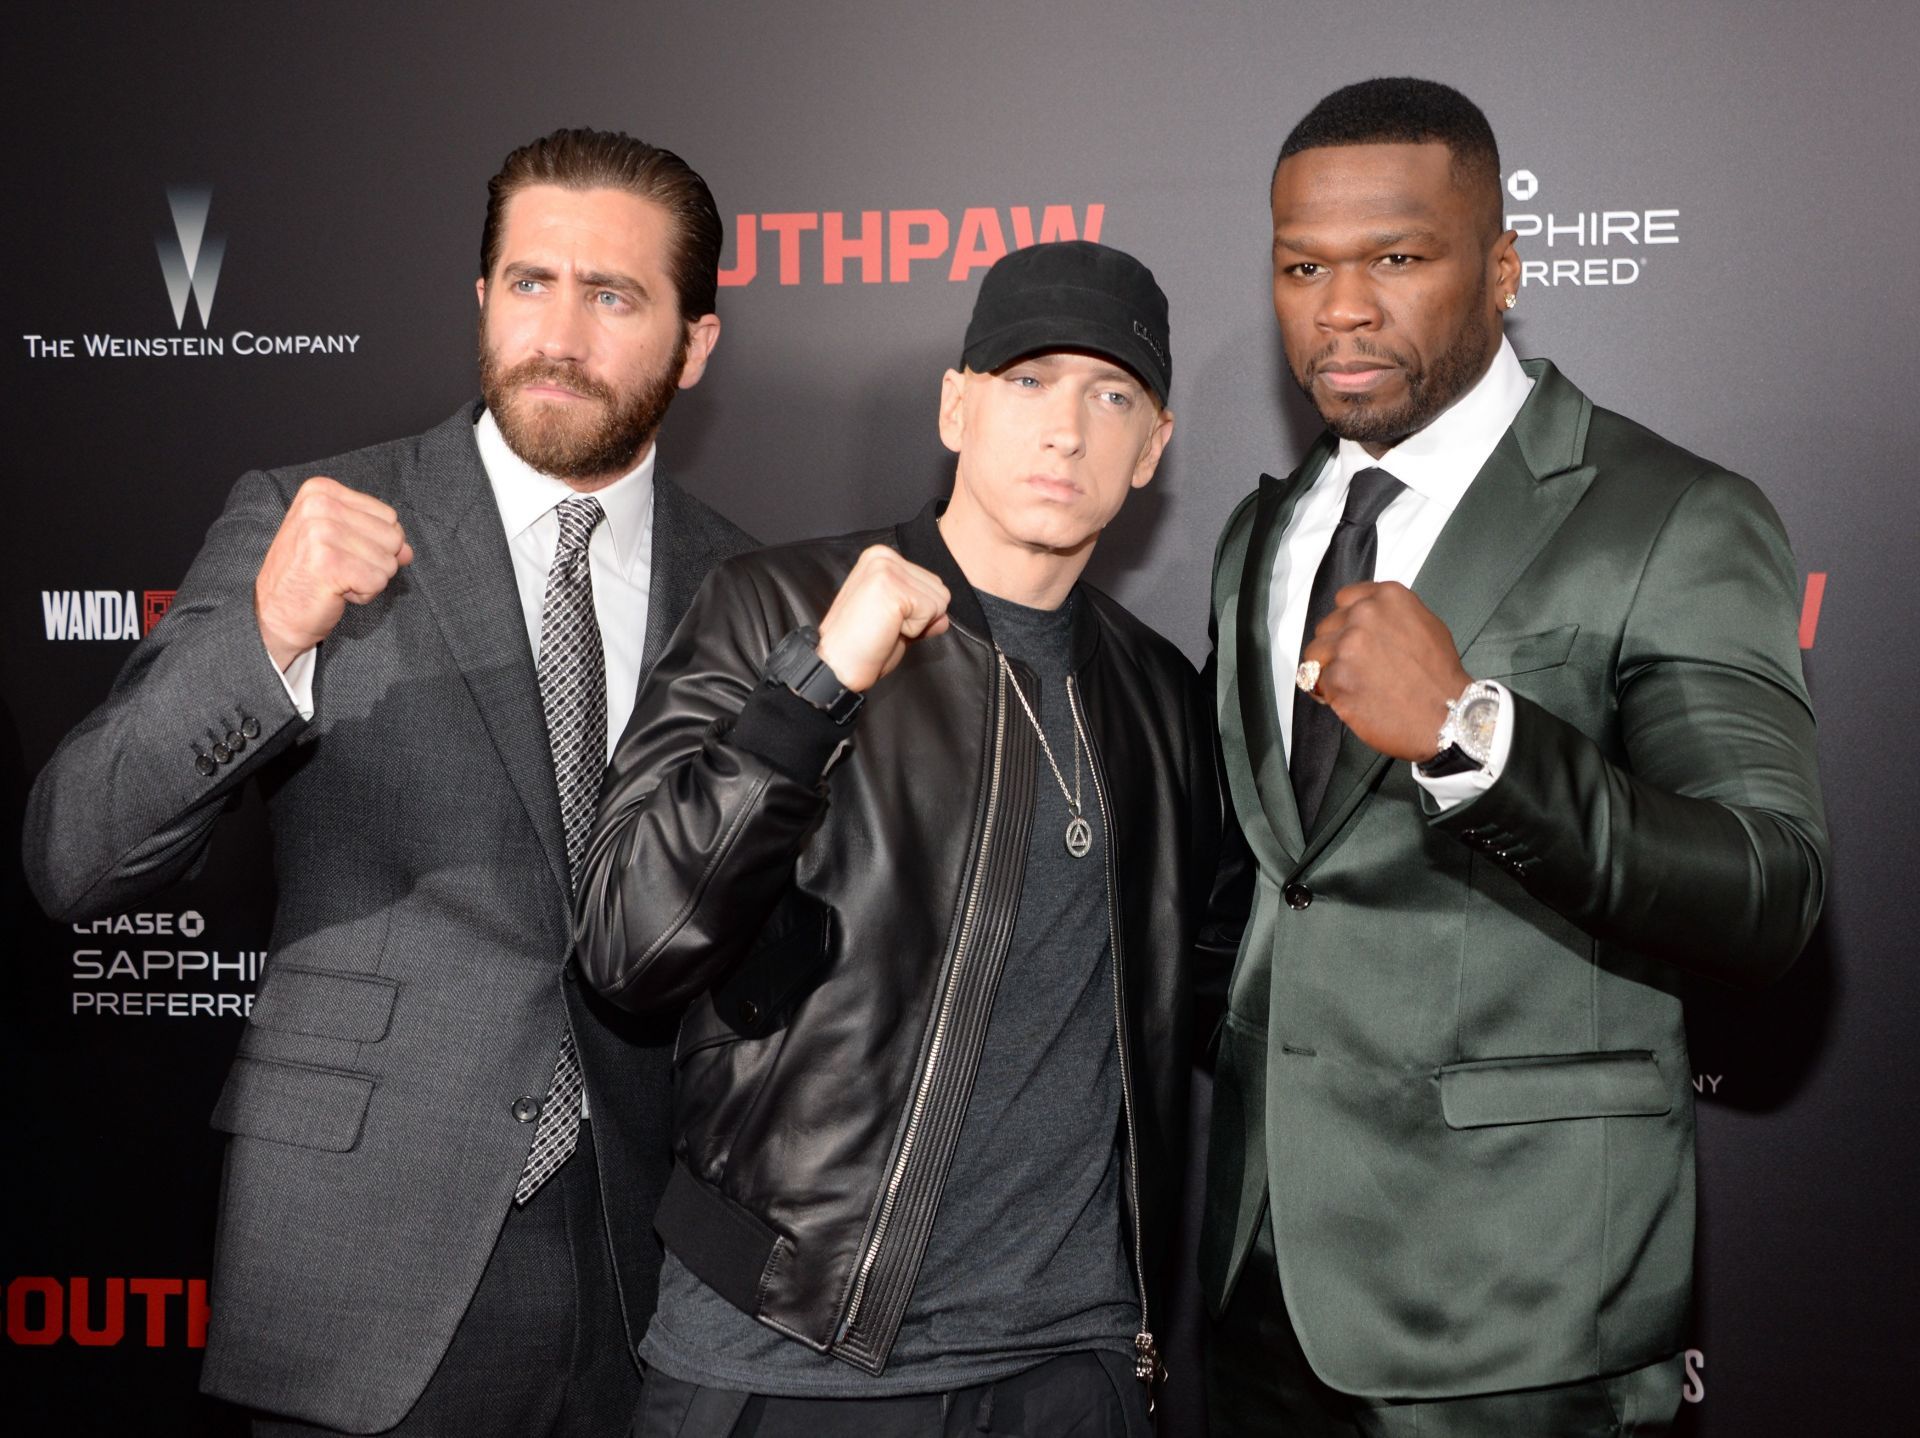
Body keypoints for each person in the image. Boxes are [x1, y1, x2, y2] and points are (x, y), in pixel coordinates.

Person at [21, 128, 755, 1437]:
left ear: (697, 343)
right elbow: (74, 853)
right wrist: (271, 632)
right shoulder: (312, 510)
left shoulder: (744, 585)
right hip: (370, 1273)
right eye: (530, 283)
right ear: (481, 300)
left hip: (654, 1281)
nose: (560, 333)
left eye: (615, 295)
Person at [1199, 78, 1829, 1436]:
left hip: (1522, 1311)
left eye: (1399, 259)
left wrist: (1474, 738)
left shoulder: (1670, 514)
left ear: (1504, 269)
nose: (1343, 307)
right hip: (1261, 1291)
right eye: (1303, 266)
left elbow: (1768, 887)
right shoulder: (1266, 533)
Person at [572, 239, 1219, 1438]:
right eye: (1027, 381)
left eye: (1111, 394)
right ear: (956, 406)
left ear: (1153, 449)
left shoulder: (1162, 698)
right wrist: (818, 684)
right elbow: (629, 944)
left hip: (1072, 1368)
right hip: (793, 1356)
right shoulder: (778, 605)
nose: (1067, 429)